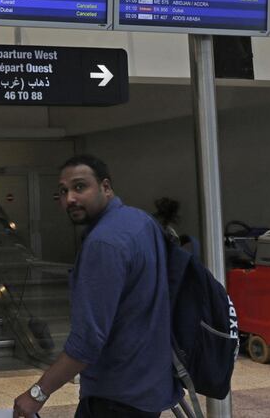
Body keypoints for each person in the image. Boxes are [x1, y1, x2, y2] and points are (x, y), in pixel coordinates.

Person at [13, 154, 180, 418]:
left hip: (116, 395)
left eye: (80, 187)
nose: (70, 199)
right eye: (63, 191)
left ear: (106, 187)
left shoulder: (103, 244)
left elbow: (87, 342)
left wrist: (37, 393)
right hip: (149, 385)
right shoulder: (141, 221)